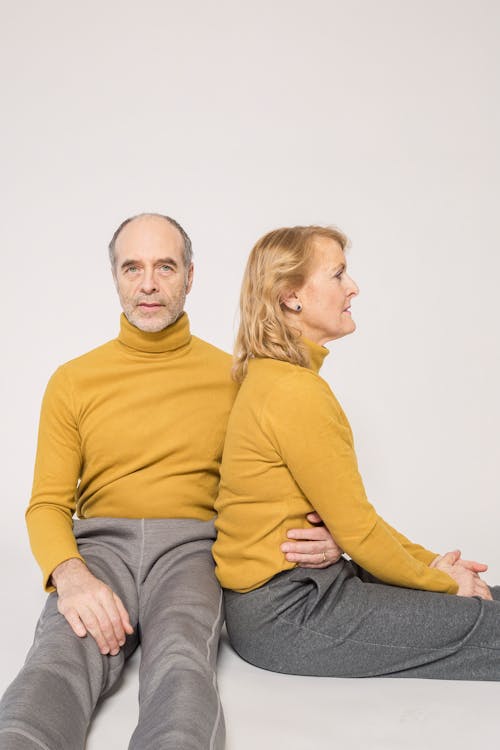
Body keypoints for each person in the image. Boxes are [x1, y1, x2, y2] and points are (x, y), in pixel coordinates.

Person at [0, 214, 338, 750]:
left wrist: (329, 534)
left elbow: (279, 483)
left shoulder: (236, 377)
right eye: (133, 267)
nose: (149, 283)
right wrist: (72, 578)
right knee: (56, 659)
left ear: (190, 276)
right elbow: (46, 504)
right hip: (97, 550)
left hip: (192, 549)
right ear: (115, 277)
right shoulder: (72, 381)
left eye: (165, 266)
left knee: (181, 663)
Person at [213, 224, 500, 681]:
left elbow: (351, 523)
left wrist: (431, 564)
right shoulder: (293, 392)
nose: (354, 287)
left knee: (490, 595)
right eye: (338, 274)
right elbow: (358, 531)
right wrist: (445, 583)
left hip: (311, 587)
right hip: (291, 611)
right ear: (291, 296)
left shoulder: (279, 380)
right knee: (488, 623)